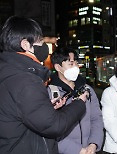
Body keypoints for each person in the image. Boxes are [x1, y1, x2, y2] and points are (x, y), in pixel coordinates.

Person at [0, 16, 88, 154]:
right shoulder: (25, 80)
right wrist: (79, 104)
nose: (44, 46)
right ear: (25, 45)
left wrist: (47, 108)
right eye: (40, 41)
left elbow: (24, 113)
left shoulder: (11, 73)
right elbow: (54, 125)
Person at [48, 47, 104, 154]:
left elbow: (96, 118)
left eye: (76, 63)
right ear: (58, 67)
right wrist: (77, 150)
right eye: (71, 64)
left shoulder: (87, 89)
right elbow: (50, 129)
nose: (75, 67)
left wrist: (93, 144)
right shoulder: (51, 94)